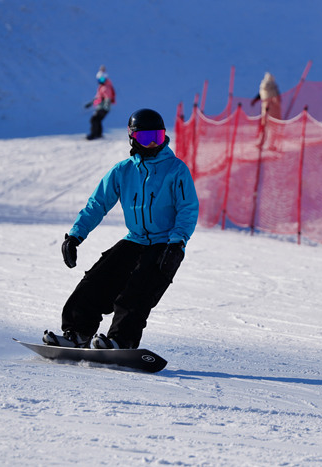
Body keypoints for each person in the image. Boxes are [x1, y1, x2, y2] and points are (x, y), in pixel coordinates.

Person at [43, 108, 199, 349]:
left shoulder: (176, 170)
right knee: (96, 281)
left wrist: (177, 244)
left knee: (137, 292)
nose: (150, 144)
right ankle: (78, 332)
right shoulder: (123, 170)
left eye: (156, 138)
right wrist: (75, 236)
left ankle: (120, 341)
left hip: (165, 243)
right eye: (144, 139)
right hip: (135, 239)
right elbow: (97, 204)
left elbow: (187, 209)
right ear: (132, 138)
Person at [85, 65, 116, 140]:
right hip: (101, 107)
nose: (101, 81)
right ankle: (98, 134)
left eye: (102, 79)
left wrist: (106, 104)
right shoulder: (102, 87)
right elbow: (98, 96)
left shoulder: (106, 87)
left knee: (94, 119)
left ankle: (94, 134)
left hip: (104, 107)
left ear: (105, 79)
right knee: (97, 120)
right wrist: (91, 103)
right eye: (99, 79)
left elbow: (107, 97)